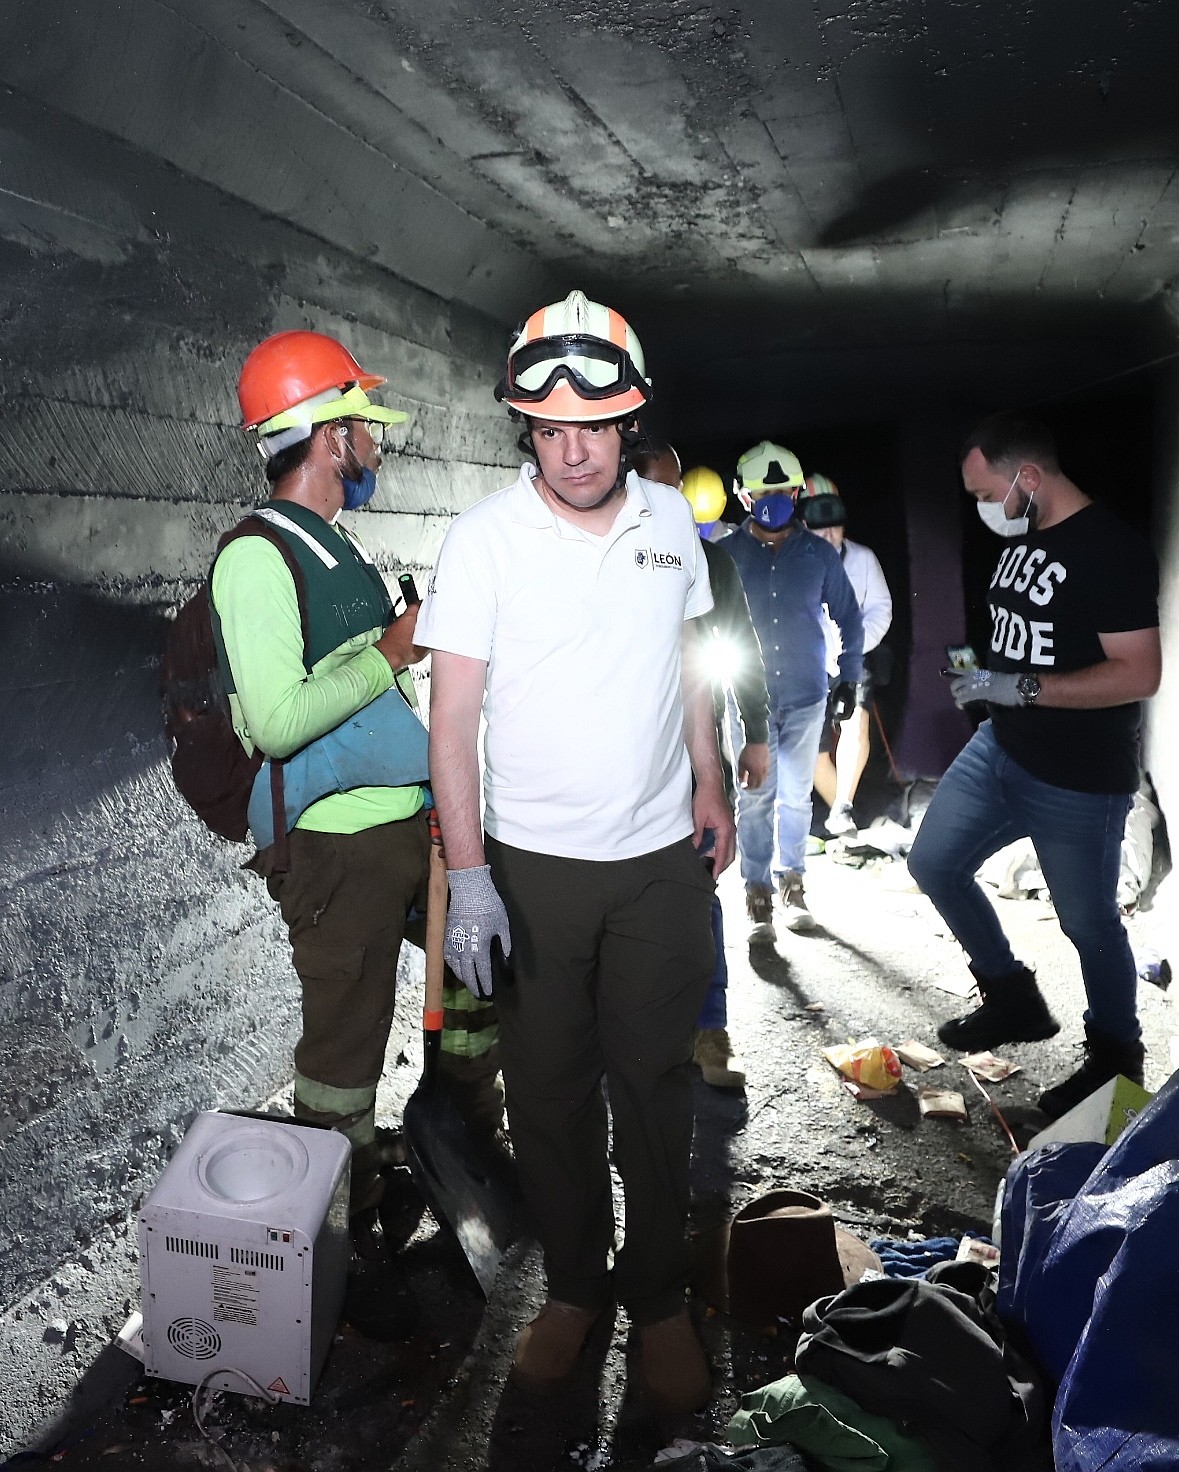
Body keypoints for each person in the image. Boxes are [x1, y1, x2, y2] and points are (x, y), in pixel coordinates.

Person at [415, 291, 733, 1412]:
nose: (572, 448)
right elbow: (452, 720)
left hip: (656, 862)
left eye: (592, 426)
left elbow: (691, 665)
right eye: (548, 429)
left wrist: (710, 775)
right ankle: (576, 1288)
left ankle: (656, 1299)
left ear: (629, 420)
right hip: (532, 866)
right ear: (525, 429)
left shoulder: (668, 525)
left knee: (653, 1084)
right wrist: (466, 878)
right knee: (549, 1090)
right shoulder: (485, 540)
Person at [214, 330, 500, 1253]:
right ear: (330, 436)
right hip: (335, 851)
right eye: (364, 424)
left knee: (486, 971)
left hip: (407, 826)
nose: (377, 442)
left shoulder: (336, 545)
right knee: (344, 1055)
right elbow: (276, 722)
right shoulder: (255, 558)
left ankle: (458, 1137)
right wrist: (390, 650)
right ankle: (340, 1239)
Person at [905, 413, 1161, 1121]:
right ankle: (1013, 996)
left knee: (1088, 923)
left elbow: (1139, 673)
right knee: (933, 862)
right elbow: (1042, 643)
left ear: (1028, 478)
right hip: (1003, 747)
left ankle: (1116, 1061)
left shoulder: (1111, 548)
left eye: (988, 493)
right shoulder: (1026, 538)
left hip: (1077, 775)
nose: (983, 509)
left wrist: (1015, 687)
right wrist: (991, 678)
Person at [634, 444, 771, 1089]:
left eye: (673, 492)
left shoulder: (710, 562)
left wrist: (757, 735)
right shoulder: (604, 560)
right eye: (651, 489)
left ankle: (709, 1031)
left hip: (695, 764)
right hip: (624, 770)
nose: (666, 506)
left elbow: (739, 646)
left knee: (698, 894)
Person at [722, 441, 864, 938]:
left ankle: (794, 883)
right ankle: (757, 892)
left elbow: (849, 616)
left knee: (798, 797)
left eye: (782, 491)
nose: (774, 499)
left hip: (806, 695)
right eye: (764, 491)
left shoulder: (819, 554)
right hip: (745, 704)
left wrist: (849, 675)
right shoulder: (725, 557)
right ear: (744, 497)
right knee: (756, 796)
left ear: (798, 493)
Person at [801, 474, 895, 837]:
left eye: (834, 527)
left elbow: (880, 609)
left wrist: (853, 645)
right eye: (819, 527)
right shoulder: (790, 563)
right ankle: (841, 814)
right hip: (808, 666)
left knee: (855, 721)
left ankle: (842, 807)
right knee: (810, 747)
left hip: (854, 658)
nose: (828, 536)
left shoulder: (862, 559)